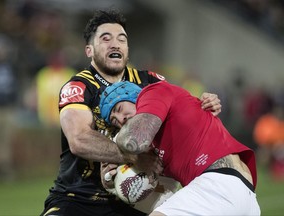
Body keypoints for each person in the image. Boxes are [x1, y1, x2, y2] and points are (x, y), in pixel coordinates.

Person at [40, 9, 222, 216]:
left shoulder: (150, 82)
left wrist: (205, 105)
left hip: (137, 197)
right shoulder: (79, 87)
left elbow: (182, 116)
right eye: (105, 39)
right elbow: (79, 139)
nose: (115, 44)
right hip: (78, 197)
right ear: (89, 50)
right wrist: (133, 157)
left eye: (121, 39)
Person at [99, 81, 261, 216]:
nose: (120, 119)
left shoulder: (153, 92)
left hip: (220, 184)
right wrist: (116, 182)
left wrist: (115, 150)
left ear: (135, 98)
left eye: (119, 109)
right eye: (114, 121)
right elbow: (164, 196)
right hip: (245, 199)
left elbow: (134, 139)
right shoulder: (157, 146)